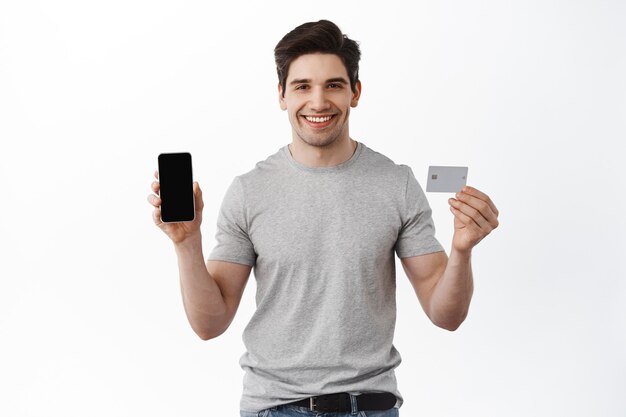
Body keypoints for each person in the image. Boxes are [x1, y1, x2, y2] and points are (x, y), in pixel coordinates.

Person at [147, 19, 499, 417]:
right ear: (281, 95)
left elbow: (445, 314)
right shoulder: (249, 191)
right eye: (302, 86)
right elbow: (209, 324)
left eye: (333, 85)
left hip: (371, 406)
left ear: (356, 92)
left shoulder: (396, 184)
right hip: (275, 407)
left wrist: (462, 250)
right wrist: (186, 242)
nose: (318, 102)